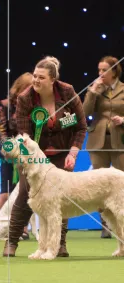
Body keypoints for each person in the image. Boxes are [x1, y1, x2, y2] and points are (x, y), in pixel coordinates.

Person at [2, 56, 87, 257]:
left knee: (61, 199)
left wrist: (73, 152)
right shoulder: (25, 98)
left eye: (41, 77)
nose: (36, 81)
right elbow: (24, 135)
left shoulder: (68, 92)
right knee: (24, 194)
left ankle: (60, 245)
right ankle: (11, 242)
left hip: (61, 153)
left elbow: (81, 127)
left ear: (53, 79)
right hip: (33, 157)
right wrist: (32, 161)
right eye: (34, 76)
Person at [83, 56, 124, 239]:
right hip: (97, 142)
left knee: (120, 186)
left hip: (119, 142)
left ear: (114, 71)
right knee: (99, 186)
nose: (100, 74)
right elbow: (84, 112)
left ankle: (121, 226)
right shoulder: (95, 89)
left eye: (104, 70)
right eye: (98, 70)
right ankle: (105, 226)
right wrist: (93, 92)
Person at [0, 72, 33, 239]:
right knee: (6, 193)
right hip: (8, 154)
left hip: (28, 155)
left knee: (25, 193)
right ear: (21, 88)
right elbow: (1, 130)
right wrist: (10, 149)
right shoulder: (5, 105)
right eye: (30, 87)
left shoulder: (34, 105)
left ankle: (22, 229)